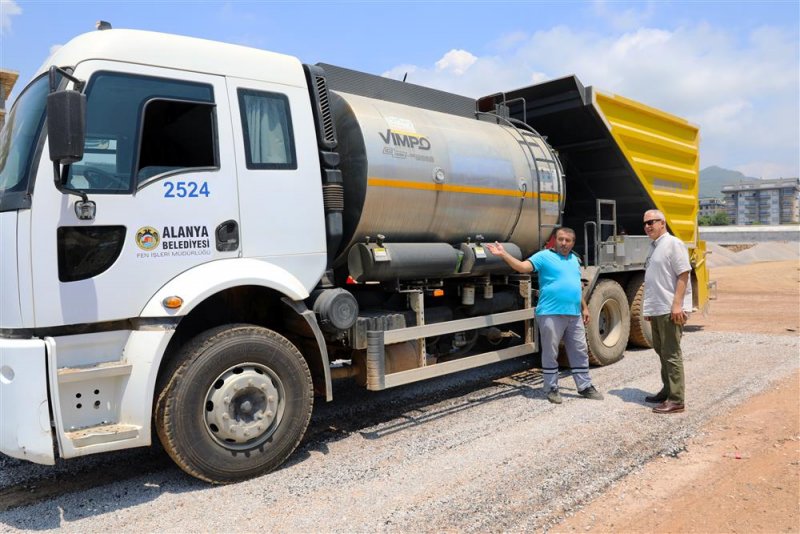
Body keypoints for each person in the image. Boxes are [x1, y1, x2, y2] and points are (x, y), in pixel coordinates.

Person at [486, 228, 603, 404]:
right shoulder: (543, 256)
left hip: (573, 313)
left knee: (580, 350)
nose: (564, 243)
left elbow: (576, 286)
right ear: (555, 240)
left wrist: (584, 308)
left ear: (573, 243)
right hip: (550, 313)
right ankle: (551, 388)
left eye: (568, 240)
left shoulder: (574, 259)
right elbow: (522, 267)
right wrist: (503, 254)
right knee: (551, 352)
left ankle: (585, 386)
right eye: (561, 239)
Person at [642, 209, 692, 414]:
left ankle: (677, 399)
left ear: (662, 223)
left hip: (670, 309)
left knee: (671, 354)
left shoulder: (673, 244)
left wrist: (677, 305)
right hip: (658, 308)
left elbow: (683, 274)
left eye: (651, 222)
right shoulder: (654, 247)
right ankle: (668, 389)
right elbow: (654, 280)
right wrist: (649, 308)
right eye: (645, 223)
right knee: (661, 351)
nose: (647, 226)